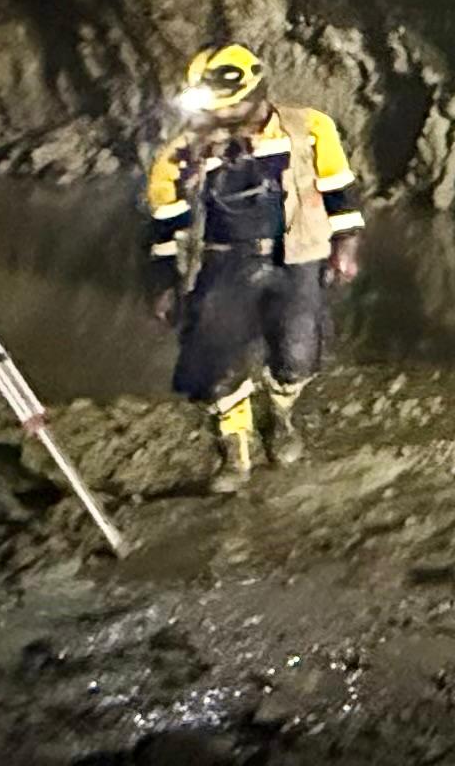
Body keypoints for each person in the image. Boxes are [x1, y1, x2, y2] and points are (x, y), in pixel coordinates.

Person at [142, 46, 364, 496]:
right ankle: (235, 446)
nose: (224, 116)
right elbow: (166, 221)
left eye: (233, 106)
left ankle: (279, 414)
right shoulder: (186, 150)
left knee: (298, 353)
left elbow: (339, 190)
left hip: (296, 254)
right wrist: (165, 282)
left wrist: (346, 245)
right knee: (216, 360)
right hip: (223, 261)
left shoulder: (309, 129)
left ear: (258, 92)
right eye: (217, 108)